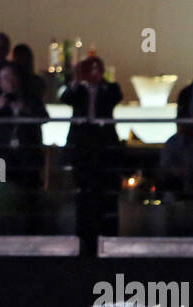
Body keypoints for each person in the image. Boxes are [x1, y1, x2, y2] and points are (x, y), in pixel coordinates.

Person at [60, 55, 123, 247]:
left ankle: (108, 235)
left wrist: (100, 84)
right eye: (90, 69)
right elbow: (65, 98)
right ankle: (83, 238)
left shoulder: (111, 88)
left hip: (104, 147)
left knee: (105, 193)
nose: (94, 73)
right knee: (84, 193)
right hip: (82, 147)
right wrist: (77, 80)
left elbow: (116, 97)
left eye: (97, 69)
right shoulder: (77, 90)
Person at [0, 62, 48, 191]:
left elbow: (44, 117)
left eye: (12, 77)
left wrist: (25, 108)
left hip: (28, 153)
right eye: (5, 78)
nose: (9, 82)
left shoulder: (30, 97)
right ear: (0, 82)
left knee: (30, 189)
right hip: (2, 154)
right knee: (2, 186)